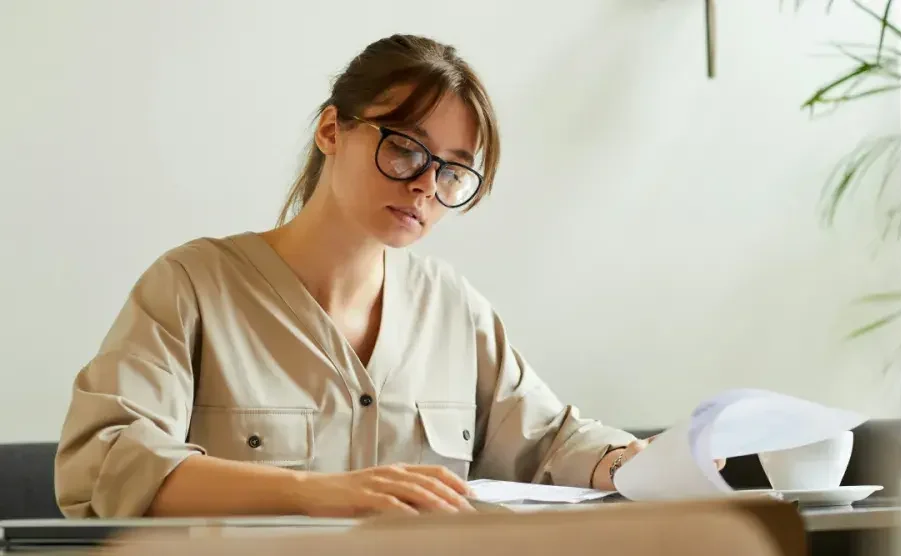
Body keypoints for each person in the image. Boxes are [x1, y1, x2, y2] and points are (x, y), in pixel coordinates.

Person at [54, 34, 719, 520]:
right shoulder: (192, 287)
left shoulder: (454, 311)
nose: (427, 185)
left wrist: (638, 459)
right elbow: (108, 462)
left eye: (453, 169)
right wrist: (314, 494)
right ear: (331, 130)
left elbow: (551, 439)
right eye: (405, 146)